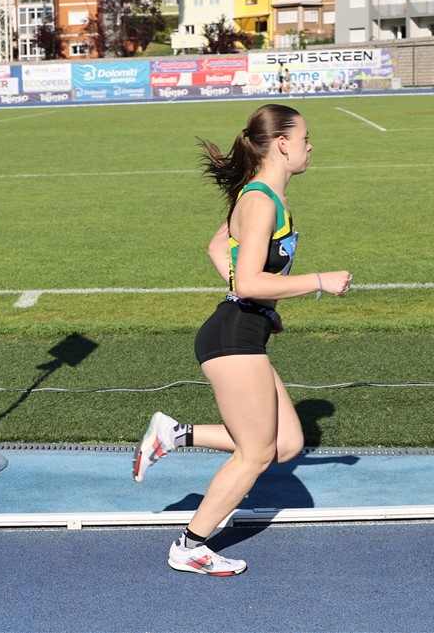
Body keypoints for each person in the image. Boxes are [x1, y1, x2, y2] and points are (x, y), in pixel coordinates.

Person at [132, 104, 352, 576]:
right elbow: (249, 280)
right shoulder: (259, 201)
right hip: (232, 337)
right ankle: (190, 545)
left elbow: (218, 247)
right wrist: (319, 280)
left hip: (245, 331)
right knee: (255, 455)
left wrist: (265, 308)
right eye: (306, 138)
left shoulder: (265, 197)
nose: (311, 146)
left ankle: (174, 434)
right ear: (283, 144)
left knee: (287, 444)